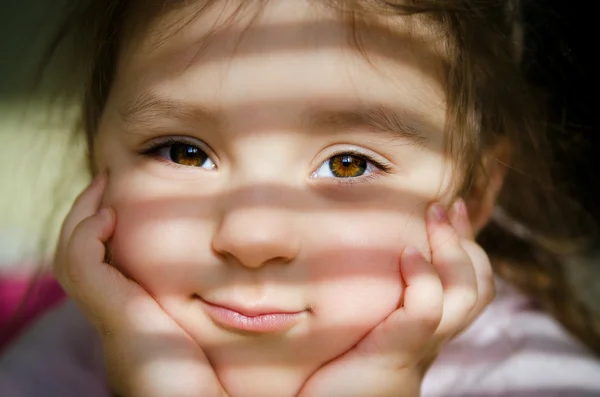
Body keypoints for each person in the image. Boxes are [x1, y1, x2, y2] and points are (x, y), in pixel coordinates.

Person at [2, 0, 600, 396]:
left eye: (349, 164)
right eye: (183, 152)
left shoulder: (535, 378)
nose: (253, 235)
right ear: (96, 161)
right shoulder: (66, 356)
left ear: (473, 193)